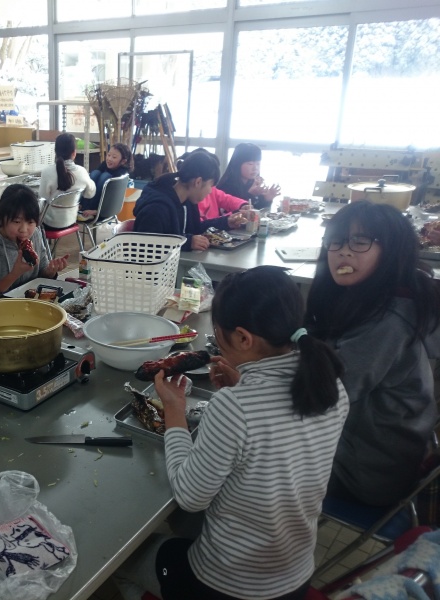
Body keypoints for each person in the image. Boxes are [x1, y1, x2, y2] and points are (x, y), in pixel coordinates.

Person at [117, 266, 348, 600]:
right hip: (294, 578)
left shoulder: (234, 407)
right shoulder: (329, 385)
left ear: (243, 338)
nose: (217, 342)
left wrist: (174, 410)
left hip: (227, 585)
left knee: (123, 559)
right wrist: (242, 386)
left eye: (218, 333)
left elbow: (190, 497)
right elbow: (275, 433)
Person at [305, 200, 440, 507]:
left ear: (391, 250)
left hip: (365, 471)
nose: (343, 251)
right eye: (336, 241)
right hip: (377, 449)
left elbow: (322, 396)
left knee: (239, 458)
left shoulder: (388, 321)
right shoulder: (373, 295)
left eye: (360, 241)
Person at [0, 183, 69, 302]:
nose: (24, 230)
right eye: (17, 222)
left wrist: (50, 271)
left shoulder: (35, 234)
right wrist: (14, 274)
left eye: (30, 222)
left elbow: (41, 274)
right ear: (1, 218)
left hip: (30, 305)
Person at [133, 150, 246, 251]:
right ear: (198, 182)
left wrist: (226, 222)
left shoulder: (187, 201)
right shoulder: (157, 208)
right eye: (210, 186)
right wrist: (187, 242)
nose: (210, 192)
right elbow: (147, 246)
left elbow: (195, 228)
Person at [38, 132, 96, 228]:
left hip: (49, 223)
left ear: (55, 152)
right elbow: (90, 194)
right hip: (71, 220)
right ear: (74, 153)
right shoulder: (82, 171)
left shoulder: (47, 172)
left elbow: (43, 198)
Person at [215, 142, 280, 210]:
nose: (255, 168)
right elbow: (233, 214)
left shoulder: (255, 183)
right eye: (250, 164)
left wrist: (267, 199)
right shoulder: (226, 186)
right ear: (237, 164)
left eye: (258, 164)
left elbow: (258, 211)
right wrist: (250, 194)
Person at [84, 143, 132, 215]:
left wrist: (99, 210)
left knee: (105, 176)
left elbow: (113, 195)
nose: (109, 159)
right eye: (109, 155)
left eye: (114, 157)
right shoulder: (105, 164)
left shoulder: (122, 172)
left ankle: (95, 209)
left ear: (123, 161)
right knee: (95, 173)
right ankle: (83, 204)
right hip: (92, 198)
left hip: (106, 204)